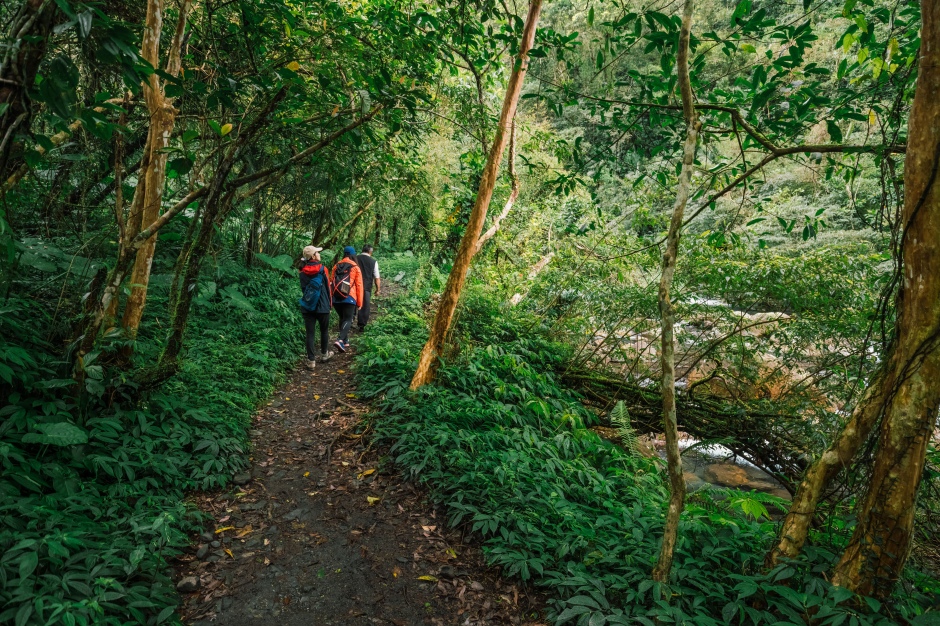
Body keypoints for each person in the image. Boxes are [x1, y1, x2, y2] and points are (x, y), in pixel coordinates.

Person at [298, 245, 334, 370]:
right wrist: (330, 304)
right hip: (322, 305)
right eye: (317, 253)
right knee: (324, 330)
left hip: (308, 305)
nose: (319, 254)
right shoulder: (323, 269)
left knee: (310, 333)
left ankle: (311, 361)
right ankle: (324, 354)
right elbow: (328, 289)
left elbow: (304, 289)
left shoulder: (302, 271)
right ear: (313, 256)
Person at [331, 246, 363, 353]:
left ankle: (345, 340)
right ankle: (340, 340)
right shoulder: (355, 267)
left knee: (342, 318)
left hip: (336, 297)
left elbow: (332, 282)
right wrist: (359, 302)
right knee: (348, 319)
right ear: (353, 255)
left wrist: (331, 298)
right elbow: (359, 286)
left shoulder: (336, 266)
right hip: (349, 296)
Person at [356, 244, 381, 331]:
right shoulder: (373, 262)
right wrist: (378, 289)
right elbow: (376, 277)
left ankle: (348, 321)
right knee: (364, 305)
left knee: (352, 303)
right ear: (370, 252)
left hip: (354, 285)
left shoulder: (355, 258)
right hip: (366, 286)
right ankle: (361, 325)